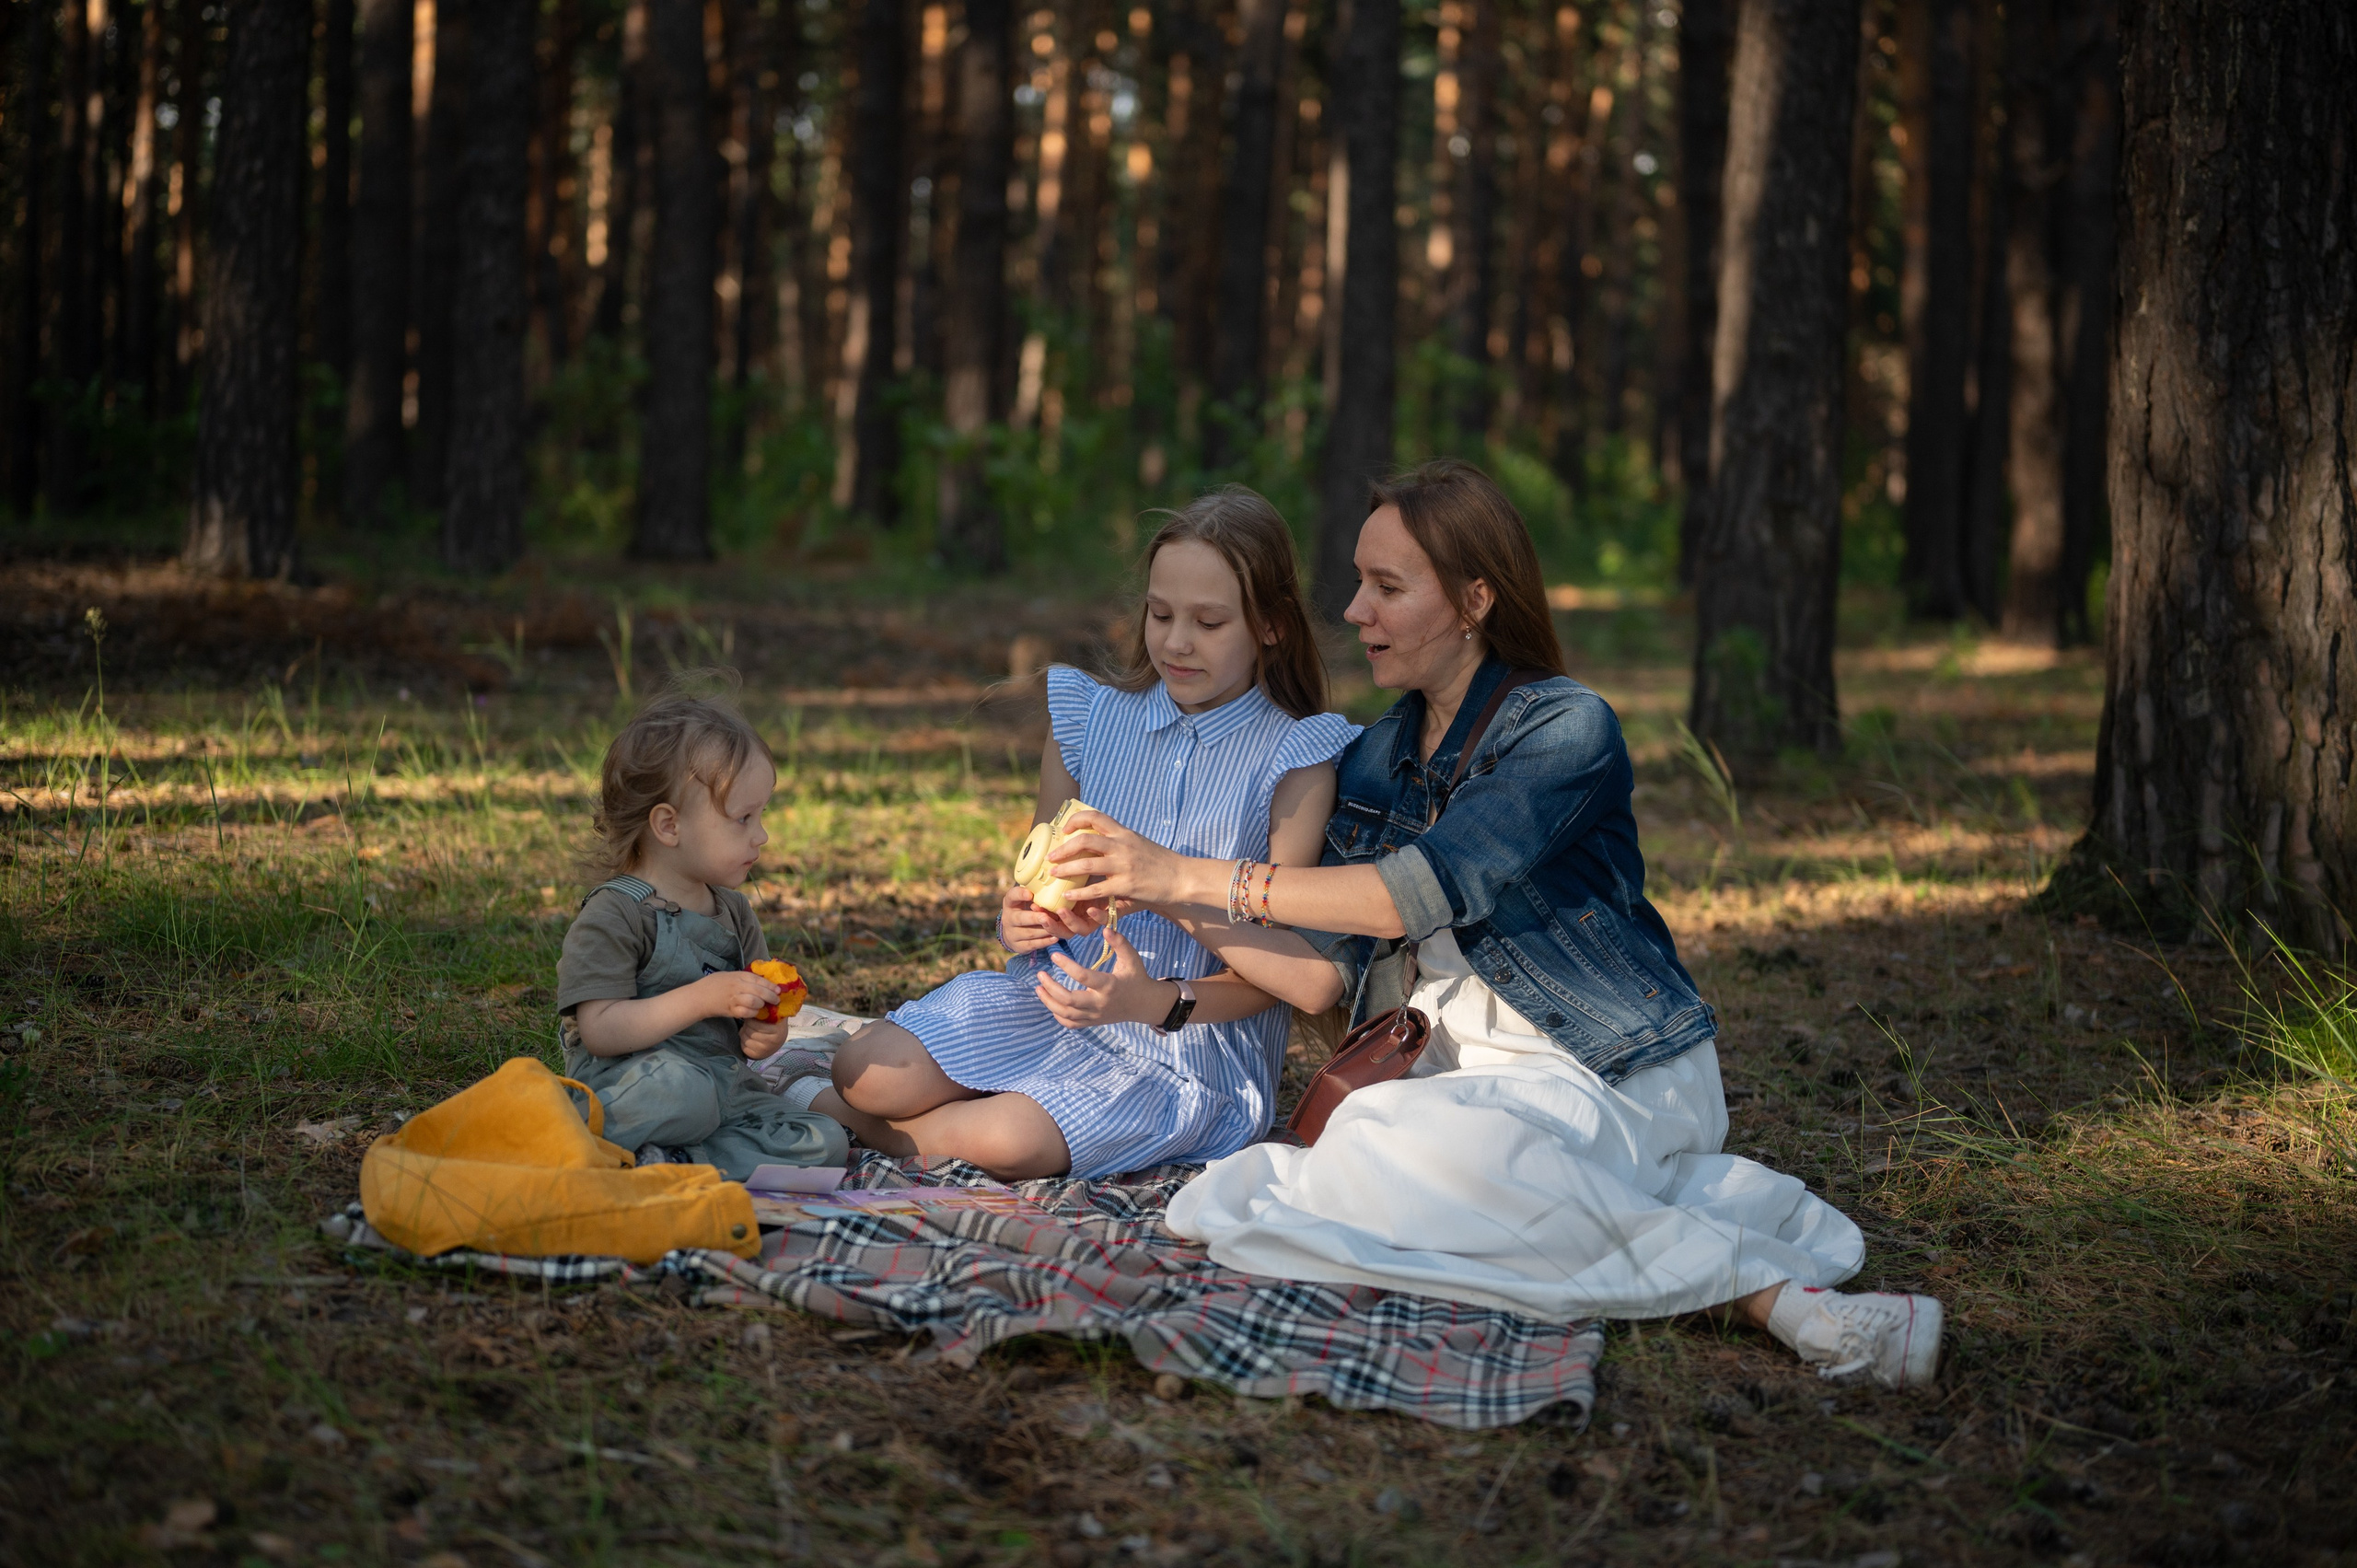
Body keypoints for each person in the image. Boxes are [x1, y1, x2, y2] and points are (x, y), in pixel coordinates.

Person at [1050, 460, 1944, 1390]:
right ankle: (1643, 1222)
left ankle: (1787, 1306)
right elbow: (1321, 977)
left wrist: (1179, 872)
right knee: (1296, 1174)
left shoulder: (1563, 728)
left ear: (1475, 598)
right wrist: (1150, 927)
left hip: (1604, 1070)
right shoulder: (1370, 759)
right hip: (1441, 1087)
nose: (1355, 610)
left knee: (1348, 1178)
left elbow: (1411, 890)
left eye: (1387, 588)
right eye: (1359, 582)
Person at [799, 487, 1358, 1180]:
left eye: (1210, 622)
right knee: (865, 1068)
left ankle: (852, 1125)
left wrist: (1155, 962)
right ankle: (873, 1110)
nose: (1176, 641)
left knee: (1010, 1140)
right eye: (1160, 614)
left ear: (1271, 626)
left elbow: (1287, 977)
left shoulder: (1296, 755)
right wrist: (1023, 918)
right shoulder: (1089, 720)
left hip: (1184, 1044)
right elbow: (1035, 884)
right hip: (1052, 1000)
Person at [555, 691, 850, 1180]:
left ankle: (666, 1164)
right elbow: (601, 1031)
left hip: (724, 1086)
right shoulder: (616, 914)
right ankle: (563, 1132)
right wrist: (704, 997)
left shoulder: (733, 912)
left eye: (761, 816)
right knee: (683, 1094)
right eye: (743, 819)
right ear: (669, 825)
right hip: (635, 1083)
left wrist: (764, 1033)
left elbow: (752, 1024)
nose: (763, 836)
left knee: (825, 1143)